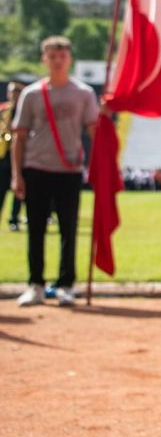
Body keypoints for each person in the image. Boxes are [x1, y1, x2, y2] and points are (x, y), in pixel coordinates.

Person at [10, 37, 99, 307]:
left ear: (69, 59)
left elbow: (95, 132)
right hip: (36, 168)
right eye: (52, 56)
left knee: (68, 229)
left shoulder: (83, 93)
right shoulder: (32, 94)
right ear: (44, 59)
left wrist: (101, 167)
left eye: (62, 56)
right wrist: (17, 174)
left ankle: (66, 285)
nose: (57, 61)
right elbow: (19, 137)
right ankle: (35, 284)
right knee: (35, 229)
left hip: (69, 171)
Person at [1, 80, 26, 231]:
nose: (13, 95)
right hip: (3, 156)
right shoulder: (4, 110)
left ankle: (14, 219)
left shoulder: (24, 110)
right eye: (11, 92)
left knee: (18, 191)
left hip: (19, 157)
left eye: (16, 92)